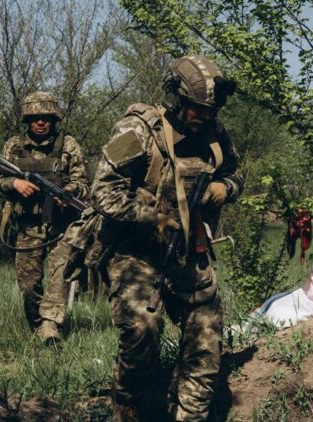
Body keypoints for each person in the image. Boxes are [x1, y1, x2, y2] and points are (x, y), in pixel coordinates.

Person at [90, 55, 243, 421]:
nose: (202, 116)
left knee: (206, 338)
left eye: (209, 110)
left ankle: (190, 414)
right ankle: (128, 405)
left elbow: (238, 171)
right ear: (176, 98)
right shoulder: (138, 130)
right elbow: (102, 192)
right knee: (142, 330)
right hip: (134, 251)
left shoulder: (215, 135)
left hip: (188, 249)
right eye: (194, 108)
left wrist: (225, 187)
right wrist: (152, 218)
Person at [0, 91, 89, 342]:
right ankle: (37, 325)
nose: (41, 122)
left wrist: (69, 192)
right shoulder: (14, 146)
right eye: (35, 118)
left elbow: (84, 185)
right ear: (27, 120)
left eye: (46, 118)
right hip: (27, 226)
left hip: (61, 226)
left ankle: (51, 326)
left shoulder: (68, 145)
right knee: (28, 285)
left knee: (59, 278)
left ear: (54, 120)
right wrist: (14, 184)